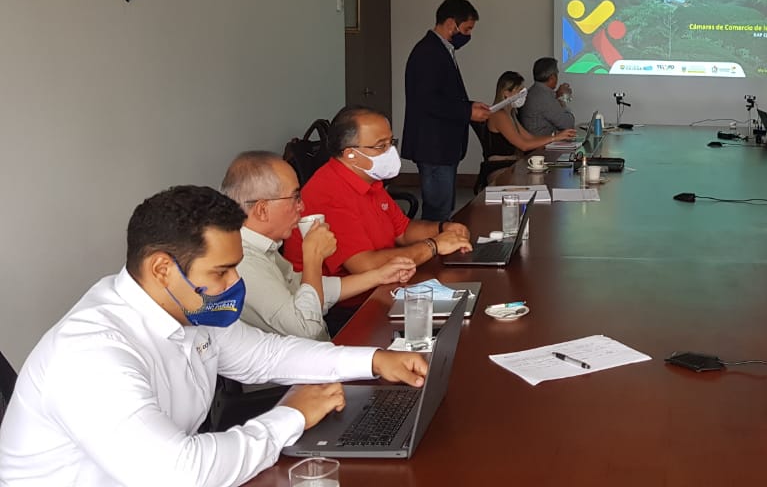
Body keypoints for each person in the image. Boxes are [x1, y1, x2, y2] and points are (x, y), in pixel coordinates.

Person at [0, 185, 429, 487]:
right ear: (162, 269)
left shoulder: (188, 310)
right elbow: (180, 475)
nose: (234, 283)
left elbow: (270, 355)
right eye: (221, 271)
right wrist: (291, 415)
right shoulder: (91, 354)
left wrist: (373, 360)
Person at [221, 151, 416, 340]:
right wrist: (313, 257)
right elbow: (305, 328)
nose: (302, 206)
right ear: (262, 210)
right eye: (295, 198)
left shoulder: (263, 246)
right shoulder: (242, 261)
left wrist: (379, 275)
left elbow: (307, 289)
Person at [284, 106, 473, 279]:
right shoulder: (329, 192)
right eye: (381, 146)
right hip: (341, 300)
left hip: (381, 283)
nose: (390, 152)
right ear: (351, 154)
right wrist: (434, 245)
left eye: (391, 143)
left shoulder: (367, 178)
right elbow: (365, 266)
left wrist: (443, 229)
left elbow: (403, 231)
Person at [402, 0, 491, 221]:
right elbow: (427, 101)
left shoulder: (441, 49)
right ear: (451, 23)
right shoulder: (428, 52)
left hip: (442, 145)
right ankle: (434, 244)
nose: (468, 35)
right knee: (437, 212)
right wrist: (467, 112)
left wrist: (469, 105)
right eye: (467, 29)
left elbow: (445, 95)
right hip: (433, 146)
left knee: (444, 207)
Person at [484, 71, 576, 160]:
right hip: (501, 165)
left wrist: (557, 137)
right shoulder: (500, 115)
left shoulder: (511, 114)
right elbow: (524, 145)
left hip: (513, 163)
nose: (524, 96)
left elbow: (530, 138)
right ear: (506, 93)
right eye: (520, 91)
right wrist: (555, 138)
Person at [518, 57, 576, 136]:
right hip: (542, 142)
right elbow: (568, 124)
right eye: (557, 74)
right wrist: (562, 100)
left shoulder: (534, 91)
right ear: (552, 77)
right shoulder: (544, 97)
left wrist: (557, 95)